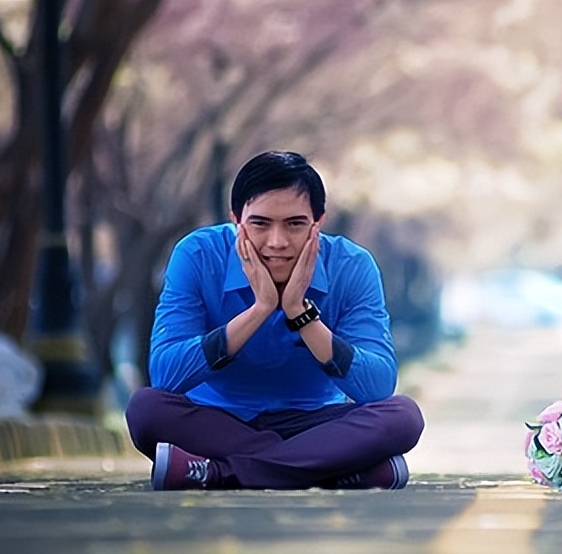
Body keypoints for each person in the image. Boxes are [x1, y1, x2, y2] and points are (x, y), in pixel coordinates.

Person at [126, 150, 425, 490]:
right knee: (145, 409)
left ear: (318, 223)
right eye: (260, 224)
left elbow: (377, 386)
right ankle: (332, 470)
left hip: (315, 424)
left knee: (402, 417)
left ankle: (218, 473)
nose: (277, 242)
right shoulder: (197, 255)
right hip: (218, 422)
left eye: (295, 224)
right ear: (236, 220)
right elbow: (165, 376)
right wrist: (261, 308)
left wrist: (300, 312)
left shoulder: (352, 265)